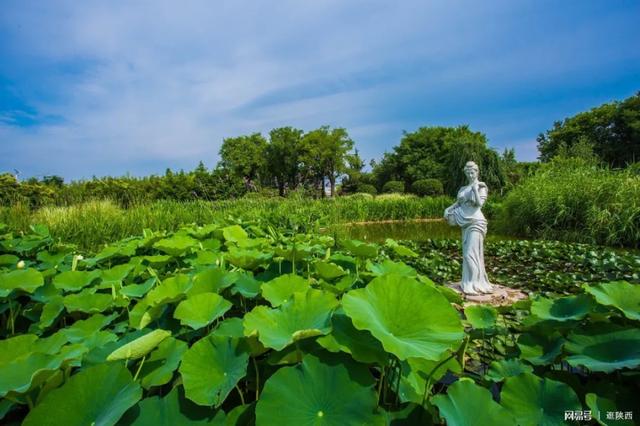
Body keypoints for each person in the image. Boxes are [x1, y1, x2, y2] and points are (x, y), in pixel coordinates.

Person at [444, 161, 493, 294]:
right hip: (464, 222)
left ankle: (475, 283)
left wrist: (475, 189)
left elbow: (479, 204)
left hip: (476, 221)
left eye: (473, 172)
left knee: (470, 254)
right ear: (465, 173)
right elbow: (458, 203)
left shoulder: (482, 187)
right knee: (468, 254)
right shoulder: (463, 188)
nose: (471, 175)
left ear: (477, 172)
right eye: (468, 173)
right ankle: (468, 281)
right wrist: (448, 209)